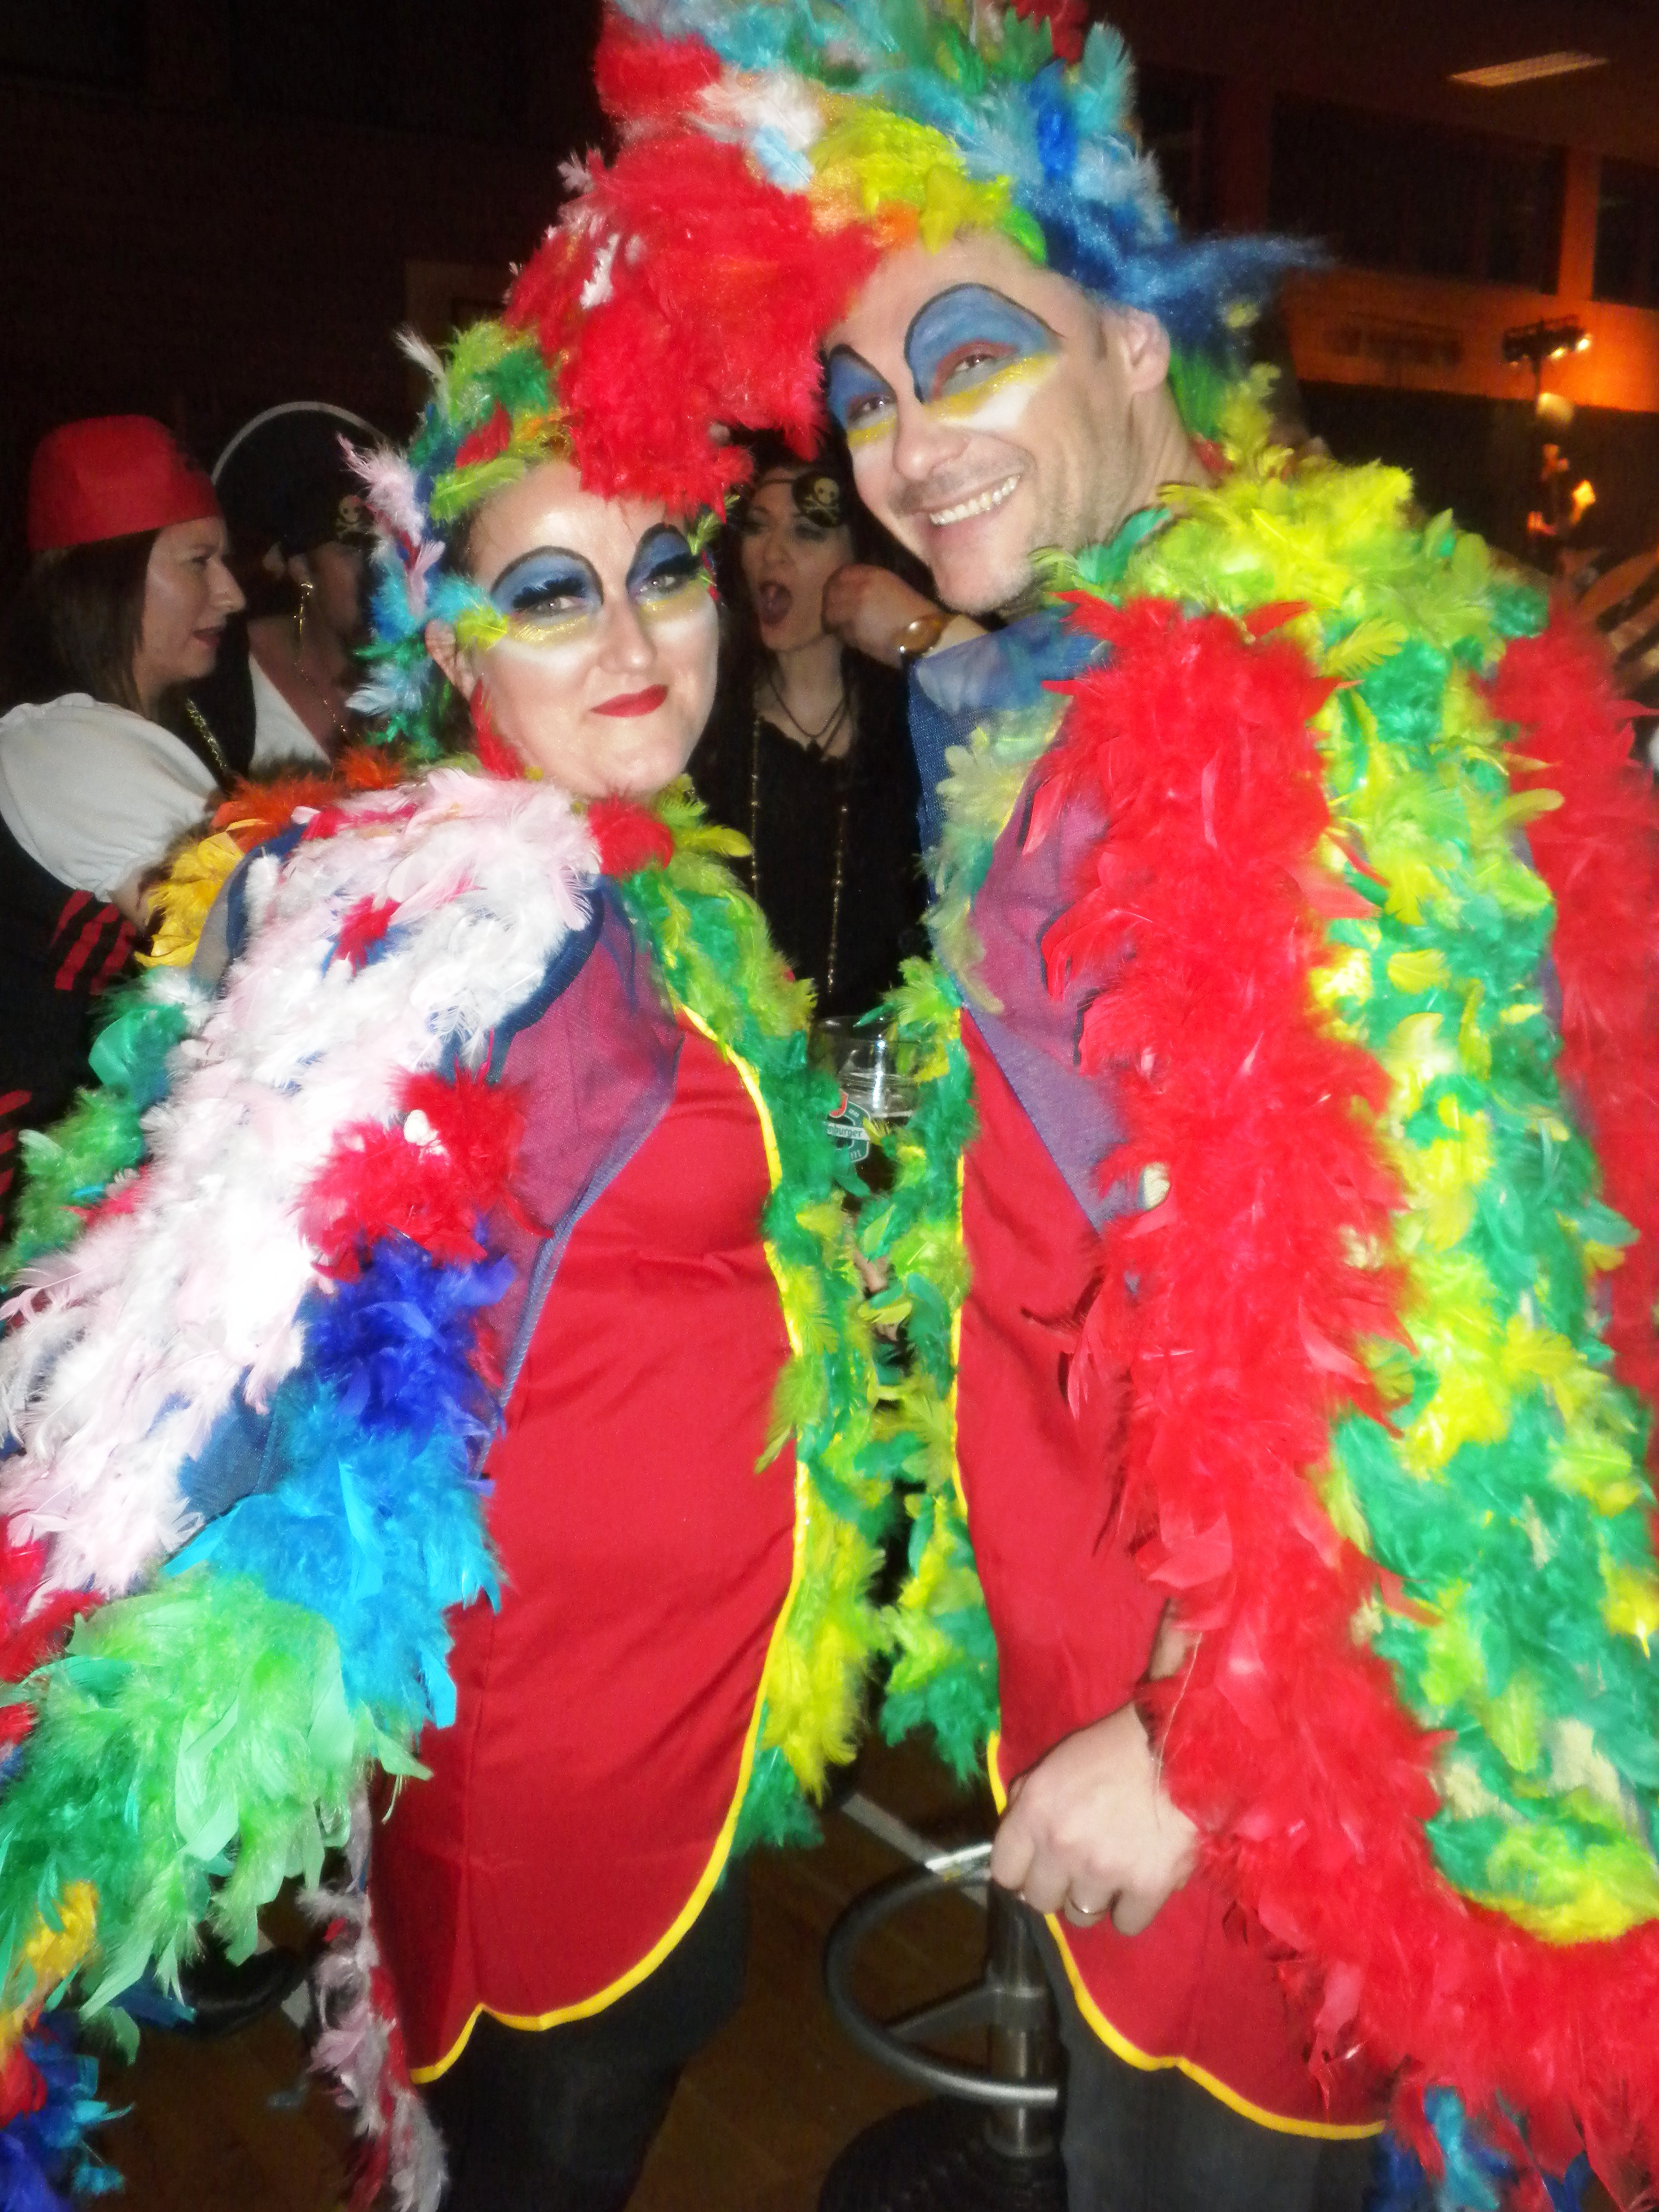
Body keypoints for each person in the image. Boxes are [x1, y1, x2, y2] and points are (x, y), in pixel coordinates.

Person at [598, 5, 1659, 2208]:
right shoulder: (1088, 660)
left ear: (1138, 338)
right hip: (1117, 1631)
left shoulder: (1282, 704)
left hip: (1271, 1763)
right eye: (865, 400)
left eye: (968, 359)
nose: (903, 449)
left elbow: (1440, 1306)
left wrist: (1199, 1737)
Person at [0, 187, 887, 2212]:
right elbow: (198, 1327)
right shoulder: (436, 904)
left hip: (699, 1688)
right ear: (452, 636)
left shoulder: (636, 862)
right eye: (551, 592)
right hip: (560, 1729)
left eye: (661, 567)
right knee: (553, 2148)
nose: (637, 635)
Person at [0, 414, 242, 1233]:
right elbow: (256, 938)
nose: (232, 593)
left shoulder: (127, 729)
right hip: (54, 1218)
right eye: (199, 561)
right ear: (104, 578)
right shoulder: (66, 748)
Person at [692, 433, 927, 1016]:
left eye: (806, 532)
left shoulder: (916, 731)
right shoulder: (700, 727)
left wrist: (923, 633)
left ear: (861, 562)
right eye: (757, 527)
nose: (772, 553)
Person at [205, 400, 380, 768]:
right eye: (352, 550)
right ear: (301, 568)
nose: (377, 569)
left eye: (391, 549)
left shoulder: (432, 679)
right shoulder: (230, 672)